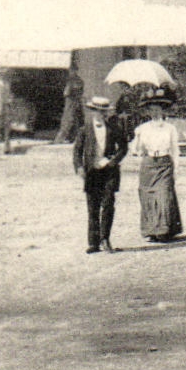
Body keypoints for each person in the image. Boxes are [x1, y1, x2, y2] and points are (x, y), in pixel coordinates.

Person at [72, 96, 128, 253]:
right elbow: (77, 151)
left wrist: (113, 161)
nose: (100, 115)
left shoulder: (113, 128)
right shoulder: (84, 130)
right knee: (93, 207)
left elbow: (123, 147)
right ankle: (93, 242)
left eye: (103, 112)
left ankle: (105, 239)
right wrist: (79, 168)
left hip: (109, 172)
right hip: (91, 173)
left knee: (108, 204)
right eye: (97, 111)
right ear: (92, 112)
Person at [130, 91, 183, 243]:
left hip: (165, 163)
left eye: (157, 109)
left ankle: (164, 230)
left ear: (162, 110)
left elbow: (175, 150)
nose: (155, 113)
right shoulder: (142, 128)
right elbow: (136, 151)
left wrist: (176, 168)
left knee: (164, 195)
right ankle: (151, 230)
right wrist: (138, 138)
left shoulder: (170, 128)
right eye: (151, 110)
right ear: (148, 112)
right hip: (148, 164)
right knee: (148, 196)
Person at [56, 67, 85, 143]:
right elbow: (81, 92)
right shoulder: (79, 80)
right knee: (76, 119)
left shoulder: (71, 81)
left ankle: (62, 138)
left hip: (71, 101)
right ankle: (73, 138)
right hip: (77, 101)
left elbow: (66, 93)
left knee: (68, 119)